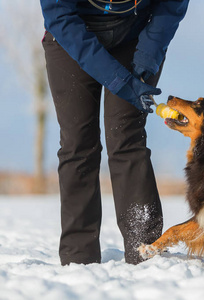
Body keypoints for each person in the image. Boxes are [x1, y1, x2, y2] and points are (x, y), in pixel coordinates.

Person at [40, 0, 189, 265]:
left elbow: (172, 4)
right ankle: (78, 257)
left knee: (126, 135)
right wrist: (118, 80)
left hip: (135, 33)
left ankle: (145, 249)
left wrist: (148, 55)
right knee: (78, 142)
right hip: (72, 34)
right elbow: (59, 14)